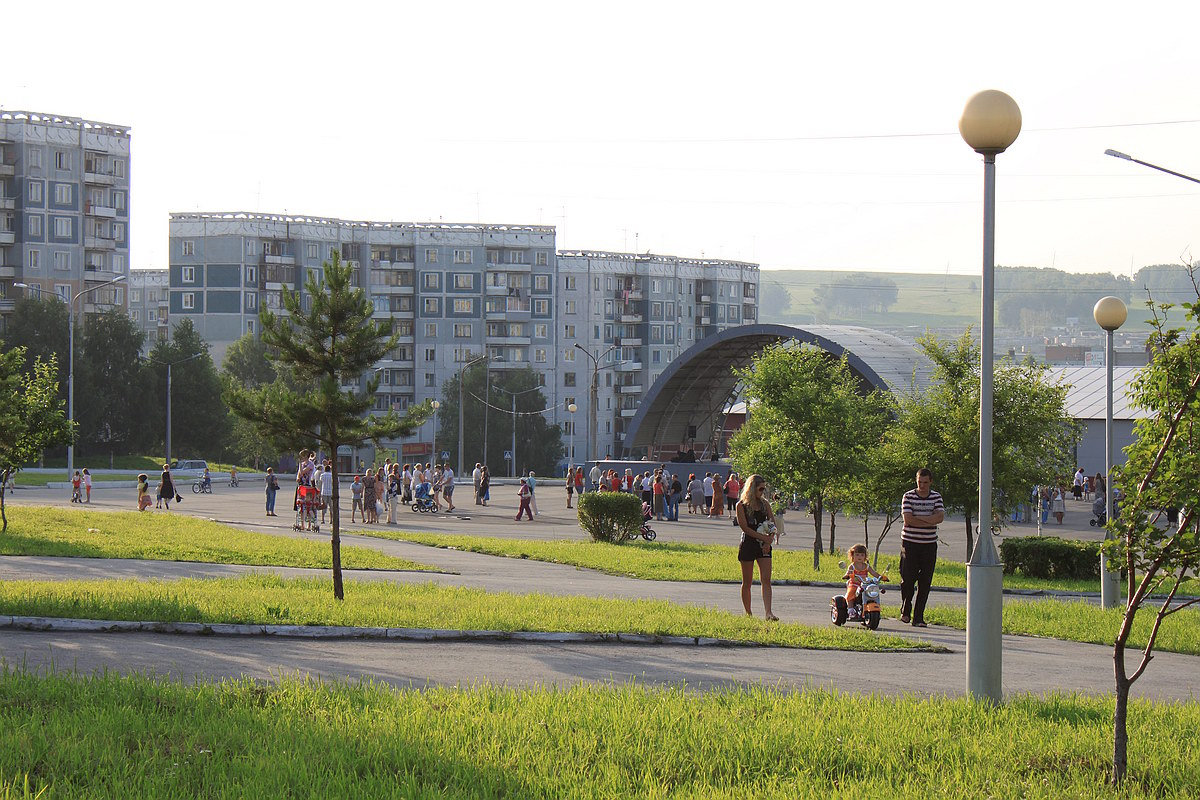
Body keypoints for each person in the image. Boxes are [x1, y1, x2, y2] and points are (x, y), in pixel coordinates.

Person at [900, 468, 944, 628]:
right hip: (910, 544)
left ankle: (918, 617)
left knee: (925, 582)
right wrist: (929, 519)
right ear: (916, 481)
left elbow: (940, 517)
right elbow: (908, 520)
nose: (922, 485)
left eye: (925, 482)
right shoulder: (908, 496)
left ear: (930, 482)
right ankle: (906, 607)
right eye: (920, 482)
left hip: (929, 545)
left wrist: (919, 518)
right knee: (907, 579)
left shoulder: (936, 497)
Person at [735, 474, 778, 621]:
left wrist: (769, 541)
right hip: (748, 544)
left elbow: (772, 524)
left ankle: (768, 613)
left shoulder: (765, 504)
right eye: (760, 489)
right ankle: (748, 613)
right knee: (747, 581)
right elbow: (744, 527)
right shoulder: (741, 505)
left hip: (764, 545)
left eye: (764, 489)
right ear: (752, 488)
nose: (762, 492)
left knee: (766, 579)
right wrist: (763, 538)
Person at [843, 543, 885, 615]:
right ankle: (850, 609)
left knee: (873, 592)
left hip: (865, 584)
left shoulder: (866, 566)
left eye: (862, 555)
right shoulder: (852, 566)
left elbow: (874, 573)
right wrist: (847, 575)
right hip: (854, 584)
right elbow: (848, 573)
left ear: (865, 556)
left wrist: (881, 577)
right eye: (857, 555)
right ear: (852, 555)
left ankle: (871, 607)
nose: (860, 557)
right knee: (851, 593)